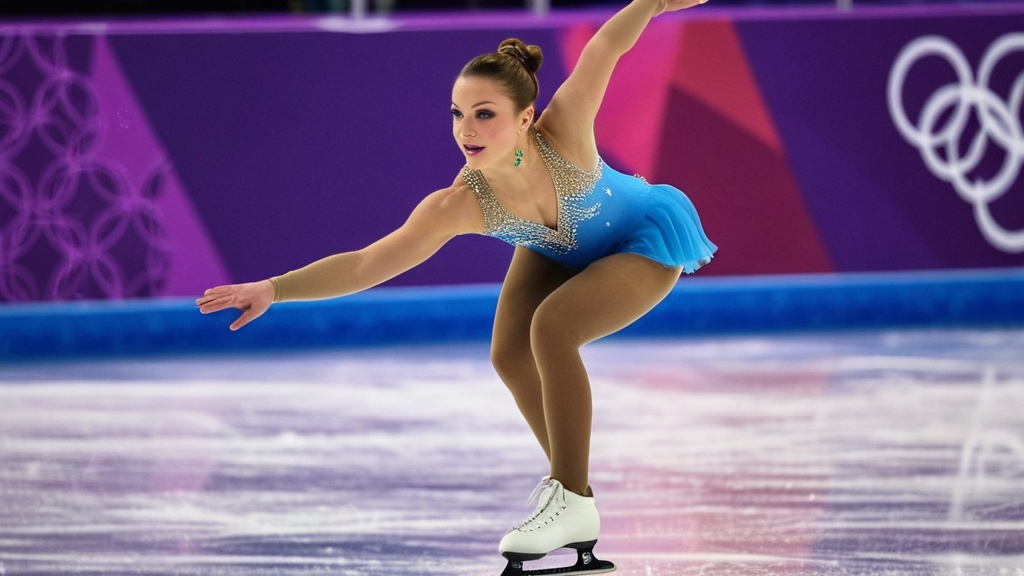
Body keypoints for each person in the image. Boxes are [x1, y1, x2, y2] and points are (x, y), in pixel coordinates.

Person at [197, 0, 715, 566]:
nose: (467, 130)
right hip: (554, 251)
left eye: (484, 114)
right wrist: (277, 287)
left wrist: (652, 2)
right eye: (457, 113)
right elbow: (370, 262)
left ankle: (568, 496)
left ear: (523, 118)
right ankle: (574, 494)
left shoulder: (562, 130)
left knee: (553, 328)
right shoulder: (462, 202)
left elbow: (604, 48)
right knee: (509, 354)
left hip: (641, 237)